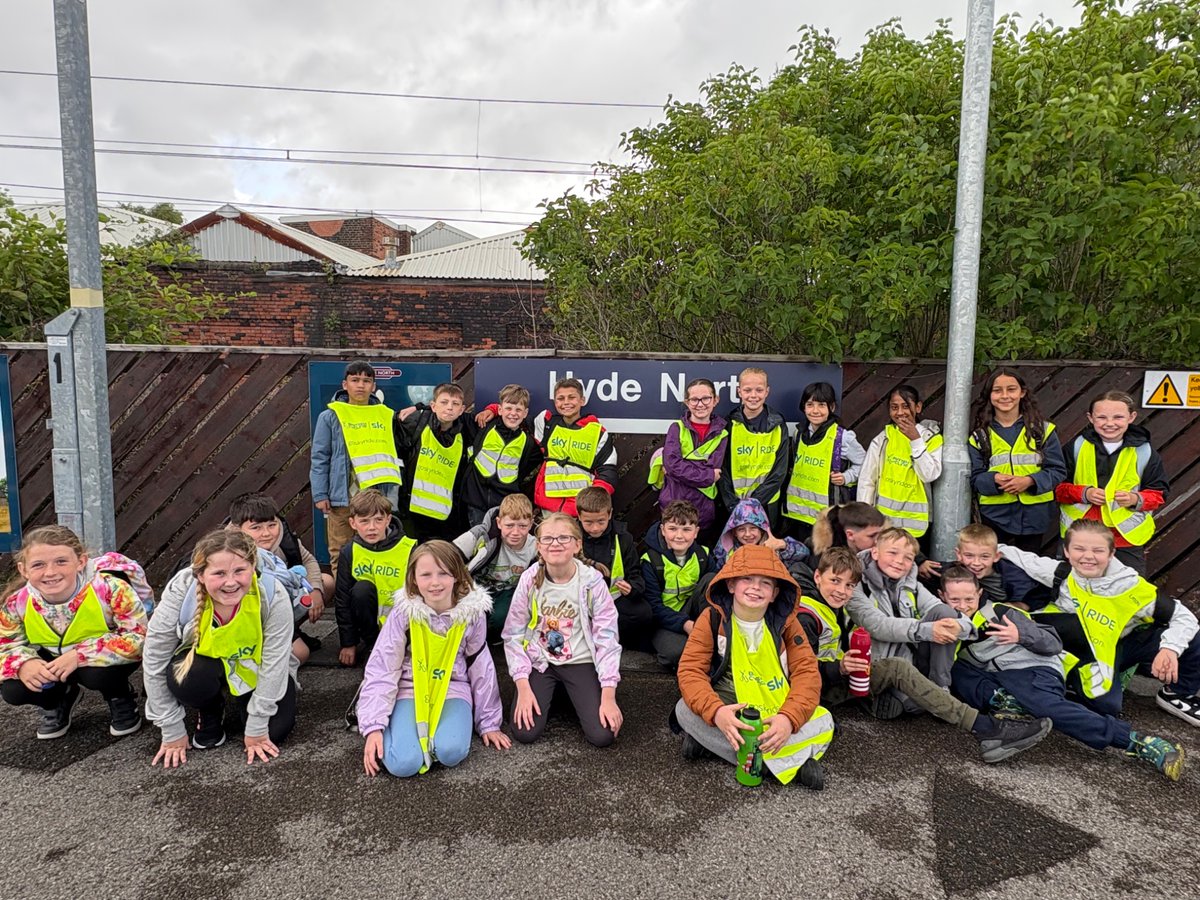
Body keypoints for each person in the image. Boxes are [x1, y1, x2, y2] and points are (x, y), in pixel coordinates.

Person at [795, 549, 1052, 762]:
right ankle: (986, 728)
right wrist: (838, 667)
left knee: (897, 663)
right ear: (817, 576)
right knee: (897, 668)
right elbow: (795, 673)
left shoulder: (834, 605)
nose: (842, 590)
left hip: (841, 676)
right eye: (835, 581)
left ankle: (886, 698)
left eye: (850, 585)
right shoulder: (807, 616)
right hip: (821, 689)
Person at [943, 564, 1184, 780]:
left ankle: (1138, 742)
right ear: (942, 597)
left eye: (968, 599)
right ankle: (1009, 703)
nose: (963, 607)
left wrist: (1021, 635)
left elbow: (1051, 643)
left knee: (1049, 708)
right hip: (1002, 678)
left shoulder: (1000, 613)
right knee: (953, 670)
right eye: (955, 600)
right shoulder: (944, 625)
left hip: (1034, 668)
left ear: (979, 594)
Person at [999, 519, 1200, 726]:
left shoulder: (1130, 586)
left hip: (1117, 646)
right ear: (1066, 552)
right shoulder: (1061, 572)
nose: (1088, 556)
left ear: (1111, 553)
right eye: (1079, 549)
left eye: (1098, 550)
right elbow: (1014, 555)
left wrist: (1169, 649)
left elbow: (1184, 617)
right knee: (1108, 707)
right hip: (1079, 650)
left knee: (1193, 636)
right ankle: (1069, 680)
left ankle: (1177, 694)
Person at [674, 544, 835, 789]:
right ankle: (789, 763)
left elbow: (807, 674)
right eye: (746, 579)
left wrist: (788, 719)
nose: (755, 588)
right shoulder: (712, 617)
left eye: (765, 583)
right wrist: (717, 713)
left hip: (774, 705)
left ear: (775, 593)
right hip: (731, 702)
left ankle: (721, 749)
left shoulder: (788, 624)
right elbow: (690, 670)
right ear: (730, 584)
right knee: (684, 709)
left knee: (826, 720)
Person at [145, 530, 299, 767]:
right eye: (219, 573)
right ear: (200, 575)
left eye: (240, 571)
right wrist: (171, 728)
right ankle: (210, 708)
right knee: (187, 678)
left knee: (274, 731)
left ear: (253, 567)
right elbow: (154, 657)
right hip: (205, 666)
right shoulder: (181, 593)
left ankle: (243, 703)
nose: (231, 582)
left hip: (254, 668)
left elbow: (275, 662)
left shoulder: (273, 593)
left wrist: (257, 724)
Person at [359, 541, 510, 777]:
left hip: (452, 687)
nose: (435, 582)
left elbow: (480, 666)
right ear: (413, 579)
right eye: (426, 574)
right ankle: (400, 731)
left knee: (451, 751)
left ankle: (437, 734)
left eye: (443, 573)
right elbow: (383, 668)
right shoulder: (403, 613)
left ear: (457, 576)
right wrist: (373, 727)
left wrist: (489, 722)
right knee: (402, 764)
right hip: (409, 689)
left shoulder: (472, 614)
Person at [0, 526, 146, 740]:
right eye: (38, 565)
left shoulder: (112, 589)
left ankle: (118, 694)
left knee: (97, 675)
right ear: (23, 570)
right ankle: (58, 698)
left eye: (61, 561)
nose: (50, 572)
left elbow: (138, 637)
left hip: (100, 658)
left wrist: (79, 656)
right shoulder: (16, 603)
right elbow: (5, 645)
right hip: (52, 660)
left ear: (81, 561)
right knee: (15, 689)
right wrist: (22, 664)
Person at [503, 513, 623, 747]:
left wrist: (609, 695)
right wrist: (523, 686)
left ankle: (575, 691)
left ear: (578, 544)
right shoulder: (529, 580)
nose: (555, 544)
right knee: (524, 732)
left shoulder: (592, 582)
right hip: (542, 661)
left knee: (603, 735)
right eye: (547, 539)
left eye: (563, 538)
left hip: (580, 661)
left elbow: (607, 637)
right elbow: (513, 634)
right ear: (538, 546)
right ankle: (555, 691)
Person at [847, 527, 972, 717]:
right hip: (877, 664)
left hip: (910, 657)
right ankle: (892, 696)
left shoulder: (911, 582)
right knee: (913, 706)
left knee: (944, 612)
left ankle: (940, 687)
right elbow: (877, 625)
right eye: (892, 553)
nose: (899, 561)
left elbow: (941, 609)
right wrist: (928, 630)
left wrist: (961, 625)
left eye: (908, 558)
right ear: (875, 552)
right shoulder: (855, 581)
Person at [1055, 390, 1168, 575]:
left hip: (1124, 539)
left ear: (1131, 417)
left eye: (1118, 417)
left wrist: (1134, 498)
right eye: (1101, 417)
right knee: (1071, 590)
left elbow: (1159, 494)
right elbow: (1056, 489)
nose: (1109, 423)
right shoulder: (1075, 447)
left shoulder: (1145, 452)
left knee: (1128, 591)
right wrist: (1084, 493)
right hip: (1079, 537)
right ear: (1090, 418)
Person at [310, 360, 402, 579]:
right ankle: (345, 604)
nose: (360, 385)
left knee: (375, 550)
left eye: (366, 381)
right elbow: (320, 457)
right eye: (355, 380)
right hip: (341, 497)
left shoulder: (384, 415)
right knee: (340, 552)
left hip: (374, 496)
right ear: (345, 384)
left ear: (374, 386)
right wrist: (321, 493)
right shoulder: (330, 416)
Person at [480, 377, 617, 517]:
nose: (566, 402)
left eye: (572, 397)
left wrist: (592, 504)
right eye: (561, 398)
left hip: (581, 510)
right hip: (549, 509)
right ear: (555, 402)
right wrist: (493, 410)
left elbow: (608, 473)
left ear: (582, 400)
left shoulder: (598, 433)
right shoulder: (546, 423)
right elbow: (515, 414)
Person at [968, 368, 1067, 553]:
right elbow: (974, 478)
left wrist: (1030, 481)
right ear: (989, 395)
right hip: (994, 516)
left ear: (1022, 392)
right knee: (994, 571)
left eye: (1011, 389)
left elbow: (1058, 471)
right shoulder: (979, 437)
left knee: (1029, 572)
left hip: (1036, 516)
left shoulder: (1043, 431)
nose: (1005, 396)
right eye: (997, 390)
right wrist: (994, 479)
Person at [228, 492, 328, 665]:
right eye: (256, 528)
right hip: (247, 616)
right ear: (238, 529)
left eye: (271, 525)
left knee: (326, 581)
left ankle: (291, 630)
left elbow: (309, 561)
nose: (266, 533)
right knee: (300, 654)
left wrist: (316, 590)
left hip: (281, 604)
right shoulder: (226, 550)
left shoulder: (284, 537)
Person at [334, 489, 417, 667]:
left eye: (378, 520)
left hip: (405, 625)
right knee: (361, 589)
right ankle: (373, 646)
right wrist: (348, 643)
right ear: (353, 523)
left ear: (388, 519)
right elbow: (342, 601)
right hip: (370, 628)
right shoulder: (349, 552)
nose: (372, 527)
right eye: (364, 521)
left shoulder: (410, 548)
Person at [857, 384, 943, 544]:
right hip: (884, 523)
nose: (900, 412)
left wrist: (916, 440)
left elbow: (929, 475)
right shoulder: (884, 438)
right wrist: (865, 515)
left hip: (916, 526)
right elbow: (867, 479)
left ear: (918, 407)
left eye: (905, 406)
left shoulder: (931, 438)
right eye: (894, 407)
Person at [782, 381, 865, 543]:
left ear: (832, 407)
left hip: (827, 518)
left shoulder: (842, 437)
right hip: (797, 513)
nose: (815, 411)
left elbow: (865, 464)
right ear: (803, 407)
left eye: (821, 405)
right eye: (810, 404)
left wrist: (846, 477)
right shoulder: (798, 434)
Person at [395, 382, 478, 543]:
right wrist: (419, 407)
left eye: (455, 404)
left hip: (447, 516)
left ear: (462, 409)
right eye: (444, 402)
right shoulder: (417, 423)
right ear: (433, 406)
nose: (449, 408)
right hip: (413, 511)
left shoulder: (467, 430)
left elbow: (501, 415)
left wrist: (492, 409)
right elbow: (394, 422)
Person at [648, 377, 729, 539]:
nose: (700, 404)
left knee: (699, 556)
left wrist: (683, 467)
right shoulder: (676, 428)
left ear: (715, 400)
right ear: (686, 402)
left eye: (706, 398)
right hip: (673, 503)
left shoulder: (723, 433)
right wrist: (708, 475)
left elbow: (714, 465)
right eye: (694, 399)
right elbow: (671, 465)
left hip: (703, 508)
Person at [452, 493, 539, 642]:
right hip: (475, 585)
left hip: (507, 590)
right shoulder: (483, 534)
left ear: (531, 523)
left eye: (523, 526)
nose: (516, 532)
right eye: (509, 525)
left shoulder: (535, 546)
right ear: (499, 523)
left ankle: (491, 640)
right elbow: (450, 554)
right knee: (466, 615)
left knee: (501, 617)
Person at [576, 486, 654, 651]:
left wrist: (632, 588)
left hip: (613, 600)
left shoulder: (623, 538)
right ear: (578, 516)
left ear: (610, 514)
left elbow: (635, 574)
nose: (595, 528)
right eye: (588, 522)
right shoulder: (569, 536)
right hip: (577, 601)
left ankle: (617, 644)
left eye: (601, 521)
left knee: (643, 613)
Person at [717, 367, 790, 531]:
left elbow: (780, 471)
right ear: (739, 391)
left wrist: (754, 502)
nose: (753, 395)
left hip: (767, 504)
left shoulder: (778, 425)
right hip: (734, 505)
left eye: (759, 390)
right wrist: (732, 504)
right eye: (747, 390)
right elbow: (723, 468)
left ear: (767, 391)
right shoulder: (729, 425)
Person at [641, 501, 710, 669]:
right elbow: (654, 607)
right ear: (663, 530)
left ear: (696, 532)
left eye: (686, 530)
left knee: (711, 579)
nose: (679, 536)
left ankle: (708, 632)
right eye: (672, 529)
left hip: (693, 614)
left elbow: (712, 595)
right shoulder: (651, 561)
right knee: (676, 653)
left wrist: (698, 624)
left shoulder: (703, 554)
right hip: (664, 620)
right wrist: (686, 624)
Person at [462, 383, 543, 527]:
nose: (513, 413)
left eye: (519, 410)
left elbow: (526, 472)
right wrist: (418, 407)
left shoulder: (528, 443)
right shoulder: (483, 426)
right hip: (475, 503)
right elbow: (452, 415)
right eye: (508, 408)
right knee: (479, 547)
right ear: (500, 409)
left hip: (504, 507)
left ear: (525, 413)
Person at [709, 497, 809, 576]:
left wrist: (782, 544)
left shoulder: (774, 547)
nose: (748, 534)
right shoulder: (728, 553)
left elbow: (805, 554)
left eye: (753, 528)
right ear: (734, 532)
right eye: (741, 529)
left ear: (762, 530)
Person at [810, 502, 885, 563]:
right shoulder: (824, 561)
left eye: (881, 533)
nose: (878, 540)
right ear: (850, 535)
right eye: (872, 536)